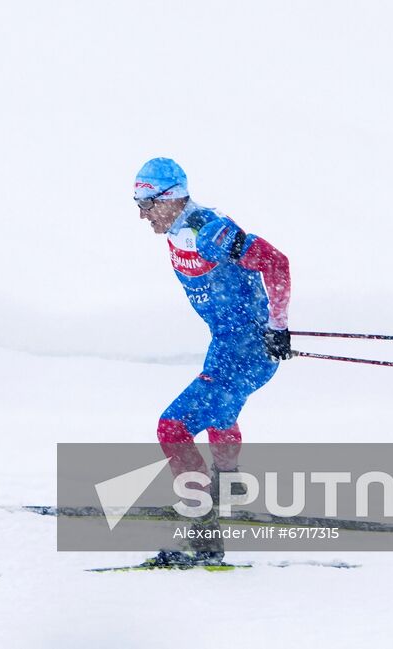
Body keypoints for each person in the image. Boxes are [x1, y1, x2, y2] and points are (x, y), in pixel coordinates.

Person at [134, 157, 292, 565]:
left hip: (248, 352)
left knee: (173, 427)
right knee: (218, 413)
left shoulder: (208, 231)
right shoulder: (178, 229)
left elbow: (276, 262)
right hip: (227, 347)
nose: (141, 213)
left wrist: (278, 326)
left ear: (171, 198)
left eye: (147, 203)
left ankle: (202, 538)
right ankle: (226, 490)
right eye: (137, 202)